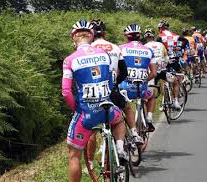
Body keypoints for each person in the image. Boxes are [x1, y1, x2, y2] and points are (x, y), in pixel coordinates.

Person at [62, 19, 126, 182]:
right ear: (91, 36)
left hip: (86, 114)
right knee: (119, 121)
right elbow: (111, 79)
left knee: (74, 155)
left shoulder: (70, 60)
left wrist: (76, 108)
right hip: (107, 109)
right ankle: (119, 147)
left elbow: (66, 92)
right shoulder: (104, 55)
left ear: (73, 37)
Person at [118, 24, 157, 135]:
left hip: (124, 89)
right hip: (142, 89)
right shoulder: (149, 50)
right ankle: (149, 117)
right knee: (152, 94)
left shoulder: (121, 48)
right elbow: (154, 73)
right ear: (140, 37)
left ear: (127, 37)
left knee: (122, 107)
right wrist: (144, 80)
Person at [144, 28, 169, 130]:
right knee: (163, 82)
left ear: (146, 38)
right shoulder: (161, 45)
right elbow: (166, 57)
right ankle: (165, 100)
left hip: (151, 71)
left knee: (150, 93)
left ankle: (147, 115)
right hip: (161, 67)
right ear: (153, 37)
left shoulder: (145, 47)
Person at [157, 20, 183, 109]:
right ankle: (176, 99)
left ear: (160, 29)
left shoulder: (160, 37)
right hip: (174, 59)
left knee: (164, 81)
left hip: (164, 61)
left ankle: (164, 103)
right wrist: (179, 48)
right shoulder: (175, 35)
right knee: (177, 77)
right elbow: (185, 41)